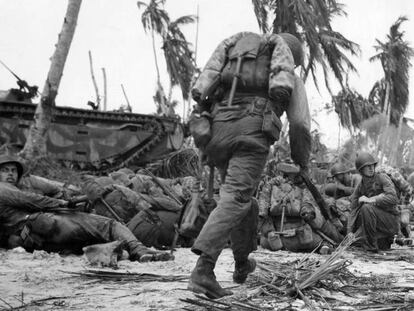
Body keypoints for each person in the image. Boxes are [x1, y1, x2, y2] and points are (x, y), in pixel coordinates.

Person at [188, 31, 311, 299]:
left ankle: (242, 263)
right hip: (251, 135)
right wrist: (302, 162)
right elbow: (300, 124)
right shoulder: (286, 73)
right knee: (236, 198)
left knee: (244, 201)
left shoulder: (237, 62)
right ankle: (203, 271)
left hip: (217, 135)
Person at [0, 154, 173, 262]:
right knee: (109, 225)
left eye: (13, 171)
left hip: (34, 238)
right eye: (5, 170)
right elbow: (30, 200)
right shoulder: (2, 189)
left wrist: (64, 197)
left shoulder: (17, 187)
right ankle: (139, 250)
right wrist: (62, 203)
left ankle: (124, 252)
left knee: (91, 239)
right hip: (37, 226)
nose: (10, 174)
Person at [259, 163, 343, 254]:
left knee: (263, 241)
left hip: (277, 239)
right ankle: (325, 244)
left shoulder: (269, 186)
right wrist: (308, 212)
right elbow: (308, 207)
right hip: (300, 237)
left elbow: (262, 211)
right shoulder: (301, 187)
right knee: (318, 232)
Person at [348, 152, 400, 252]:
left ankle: (370, 247)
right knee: (360, 213)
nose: (371, 168)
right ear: (361, 170)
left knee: (366, 208)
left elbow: (394, 198)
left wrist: (372, 199)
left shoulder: (382, 178)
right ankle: (375, 241)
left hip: (391, 221)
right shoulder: (360, 186)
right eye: (367, 166)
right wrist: (349, 232)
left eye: (372, 165)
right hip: (378, 223)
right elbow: (353, 209)